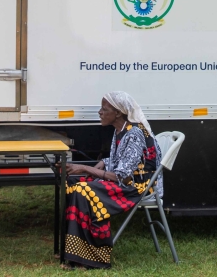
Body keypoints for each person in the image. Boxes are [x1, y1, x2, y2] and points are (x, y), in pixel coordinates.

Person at [62, 92, 163, 269]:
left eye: (104, 109)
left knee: (82, 190)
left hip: (136, 188)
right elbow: (122, 162)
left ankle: (93, 257)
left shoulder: (134, 133)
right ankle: (76, 254)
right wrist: (102, 162)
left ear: (117, 113)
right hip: (125, 182)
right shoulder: (120, 131)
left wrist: (85, 168)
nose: (100, 112)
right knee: (72, 183)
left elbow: (120, 176)